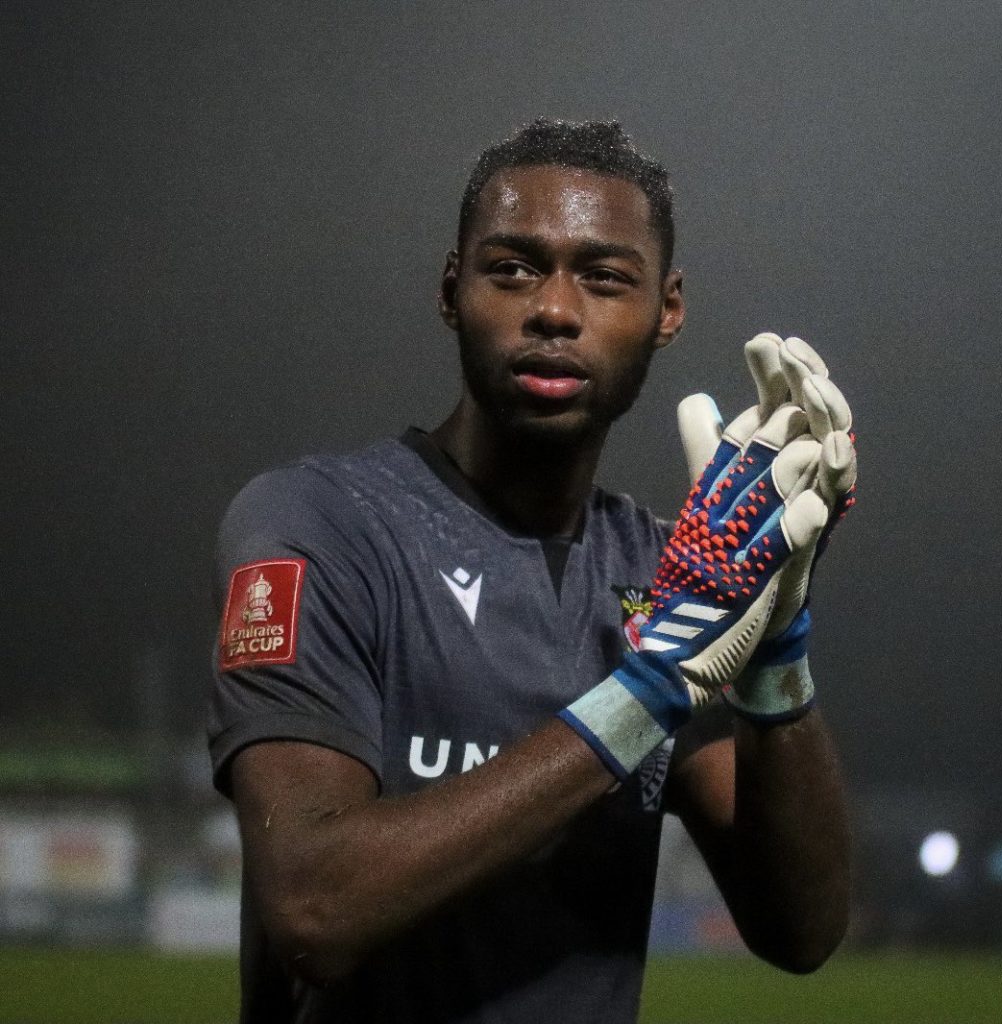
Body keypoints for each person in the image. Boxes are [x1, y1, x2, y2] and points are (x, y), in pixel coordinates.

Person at [207, 118, 856, 1023]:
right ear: (450, 287)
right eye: (512, 268)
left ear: (666, 312)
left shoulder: (666, 577)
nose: (554, 308)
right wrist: (648, 689)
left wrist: (777, 645)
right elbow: (315, 908)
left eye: (604, 278)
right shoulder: (321, 524)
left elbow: (802, 931)